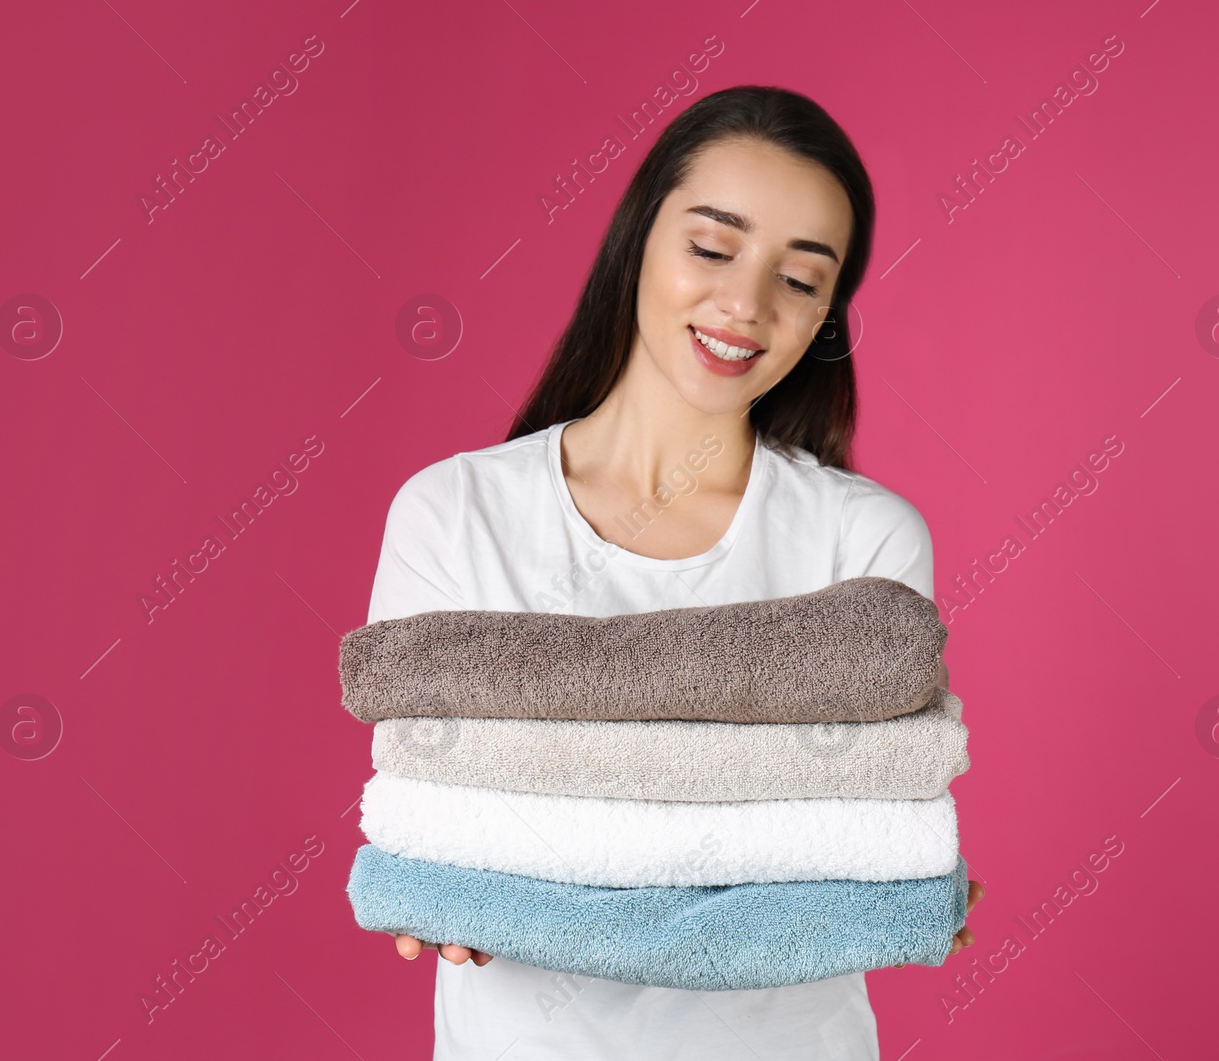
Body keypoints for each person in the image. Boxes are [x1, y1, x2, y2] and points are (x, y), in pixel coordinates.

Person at [364, 84, 985, 1060]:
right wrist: (438, 876)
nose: (745, 302)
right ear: (637, 241)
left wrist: (893, 883)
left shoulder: (864, 542)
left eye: (801, 277)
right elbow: (426, 809)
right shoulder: (453, 513)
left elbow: (875, 818)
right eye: (712, 246)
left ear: (827, 311)